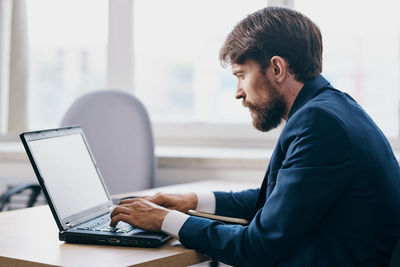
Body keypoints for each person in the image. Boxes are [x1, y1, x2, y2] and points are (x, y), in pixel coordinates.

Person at [110, 6, 400, 266]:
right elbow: (281, 202)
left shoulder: (319, 123)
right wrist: (194, 200)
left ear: (276, 68)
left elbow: (257, 247)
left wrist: (165, 220)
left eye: (241, 75)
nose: (238, 92)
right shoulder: (334, 108)